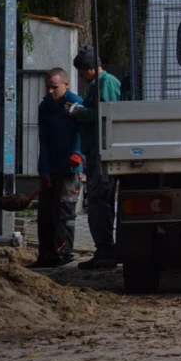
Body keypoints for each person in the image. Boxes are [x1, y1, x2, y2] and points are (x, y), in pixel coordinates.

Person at [67, 46, 123, 269]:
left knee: (100, 200)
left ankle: (106, 250)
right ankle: (104, 249)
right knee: (99, 201)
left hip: (102, 150)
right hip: (96, 149)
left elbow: (104, 115)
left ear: (89, 69)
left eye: (81, 71)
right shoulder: (98, 84)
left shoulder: (106, 83)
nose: (80, 76)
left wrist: (76, 112)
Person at [31, 68, 84, 268]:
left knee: (64, 213)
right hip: (51, 167)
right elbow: (43, 141)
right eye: (48, 87)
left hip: (69, 169)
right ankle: (46, 255)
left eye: (54, 87)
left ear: (65, 85)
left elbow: (83, 130)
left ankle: (64, 254)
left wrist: (79, 154)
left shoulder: (75, 104)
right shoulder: (45, 107)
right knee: (45, 213)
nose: (50, 91)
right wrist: (43, 171)